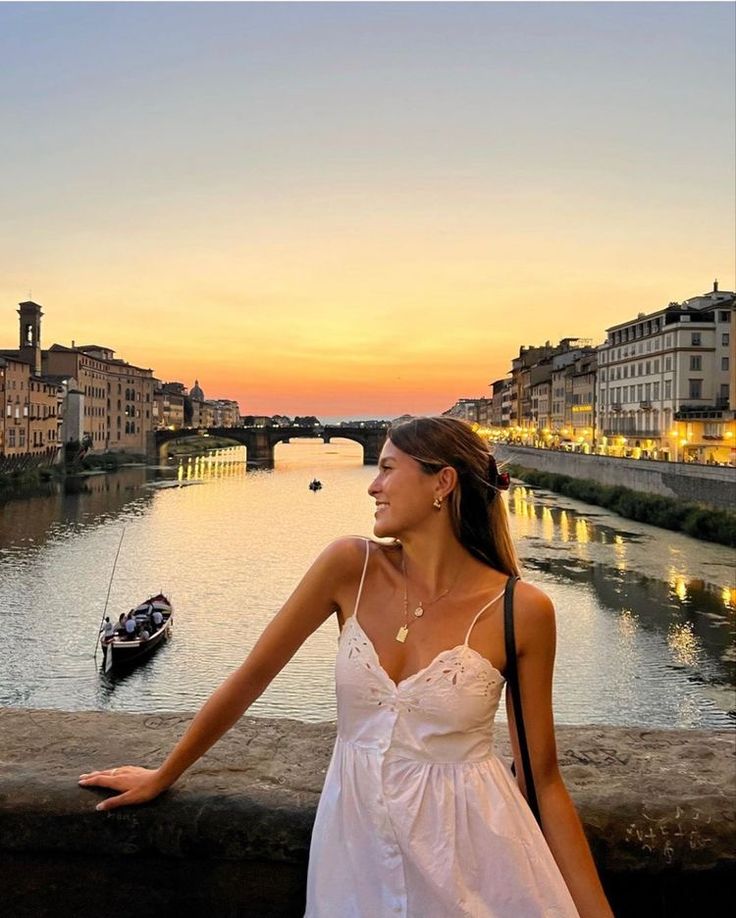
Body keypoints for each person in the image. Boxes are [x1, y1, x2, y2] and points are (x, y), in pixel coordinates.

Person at [79, 417, 612, 917]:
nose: (371, 486)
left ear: (442, 483)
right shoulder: (349, 566)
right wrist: (164, 774)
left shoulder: (523, 610)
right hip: (353, 850)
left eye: (386, 468)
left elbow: (544, 783)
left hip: (474, 855)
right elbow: (251, 678)